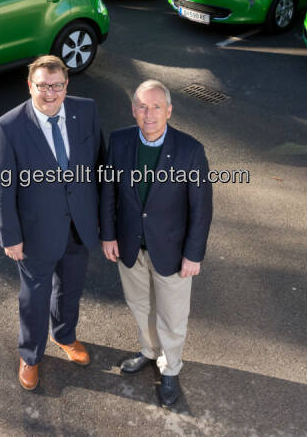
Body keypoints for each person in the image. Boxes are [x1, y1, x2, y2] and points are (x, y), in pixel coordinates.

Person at [0, 55, 104, 391]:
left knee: (71, 288)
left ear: (66, 85)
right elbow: (1, 186)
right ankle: (30, 355)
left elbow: (100, 166)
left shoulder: (86, 111)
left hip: (80, 224)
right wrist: (10, 236)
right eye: (43, 86)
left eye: (57, 86)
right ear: (30, 86)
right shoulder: (8, 127)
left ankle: (65, 336)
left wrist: (101, 218)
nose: (50, 93)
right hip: (34, 231)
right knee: (34, 297)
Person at [99, 80, 212, 407]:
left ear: (169, 111)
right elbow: (109, 191)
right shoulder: (119, 141)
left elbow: (201, 208)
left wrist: (193, 254)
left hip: (173, 252)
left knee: (173, 315)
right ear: (134, 110)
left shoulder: (191, 150)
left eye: (156, 107)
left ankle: (171, 367)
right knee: (140, 306)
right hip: (129, 247)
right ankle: (149, 351)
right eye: (142, 107)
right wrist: (108, 234)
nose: (149, 114)